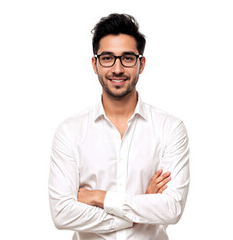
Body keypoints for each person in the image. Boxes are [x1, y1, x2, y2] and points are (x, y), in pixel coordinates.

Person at [48, 13, 190, 240]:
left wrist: (99, 197)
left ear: (141, 64)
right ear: (95, 64)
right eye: (107, 58)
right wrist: (140, 209)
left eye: (127, 58)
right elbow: (62, 213)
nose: (117, 69)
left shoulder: (170, 128)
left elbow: (171, 208)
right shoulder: (70, 132)